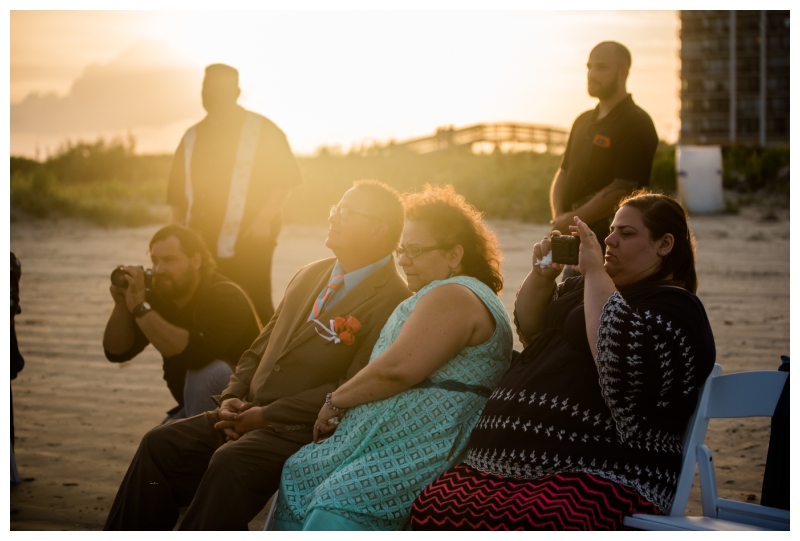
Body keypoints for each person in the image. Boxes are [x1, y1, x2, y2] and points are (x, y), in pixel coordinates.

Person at [104, 180, 411, 530]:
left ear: (377, 229)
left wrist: (266, 416)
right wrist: (232, 397)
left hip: (301, 428)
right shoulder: (310, 273)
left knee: (229, 462)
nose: (333, 217)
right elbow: (258, 348)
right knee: (160, 443)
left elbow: (352, 388)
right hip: (244, 411)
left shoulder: (393, 300)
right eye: (334, 209)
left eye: (346, 211)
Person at [410, 192, 717, 531]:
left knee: (546, 519)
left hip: (598, 469)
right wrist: (543, 276)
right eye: (611, 230)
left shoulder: (676, 308)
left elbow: (615, 353)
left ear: (665, 244)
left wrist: (595, 271)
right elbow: (530, 327)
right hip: (504, 464)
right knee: (434, 504)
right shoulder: (584, 287)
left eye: (626, 234)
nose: (610, 239)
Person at [274, 184, 514, 531]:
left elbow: (398, 369)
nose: (403, 259)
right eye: (402, 249)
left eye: (415, 250)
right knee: (301, 471)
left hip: (422, 444)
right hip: (395, 439)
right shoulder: (450, 292)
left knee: (336, 505)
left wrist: (335, 401)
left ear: (453, 254)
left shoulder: (455, 294)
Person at [167, 63, 303, 323]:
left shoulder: (262, 129)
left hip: (250, 238)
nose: (211, 94)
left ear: (236, 92)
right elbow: (177, 193)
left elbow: (285, 179)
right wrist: (175, 233)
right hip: (200, 240)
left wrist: (263, 219)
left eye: (218, 88)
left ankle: (260, 361)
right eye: (206, 88)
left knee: (253, 303)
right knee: (203, 304)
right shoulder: (191, 136)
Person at [103, 225, 261, 422]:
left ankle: (202, 445)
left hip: (247, 407)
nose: (159, 270)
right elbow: (116, 352)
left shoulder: (226, 296)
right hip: (193, 405)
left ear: (196, 260)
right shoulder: (160, 298)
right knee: (152, 445)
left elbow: (194, 354)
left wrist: (140, 308)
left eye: (169, 260)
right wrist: (122, 305)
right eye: (155, 261)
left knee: (208, 372)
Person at [550, 42, 658, 256]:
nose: (591, 74)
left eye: (601, 67)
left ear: (622, 72)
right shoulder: (582, 121)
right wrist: (560, 218)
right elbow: (563, 172)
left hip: (611, 245)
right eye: (589, 67)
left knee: (601, 290)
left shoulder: (636, 122)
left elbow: (623, 189)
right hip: (571, 239)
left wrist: (571, 220)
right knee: (567, 289)